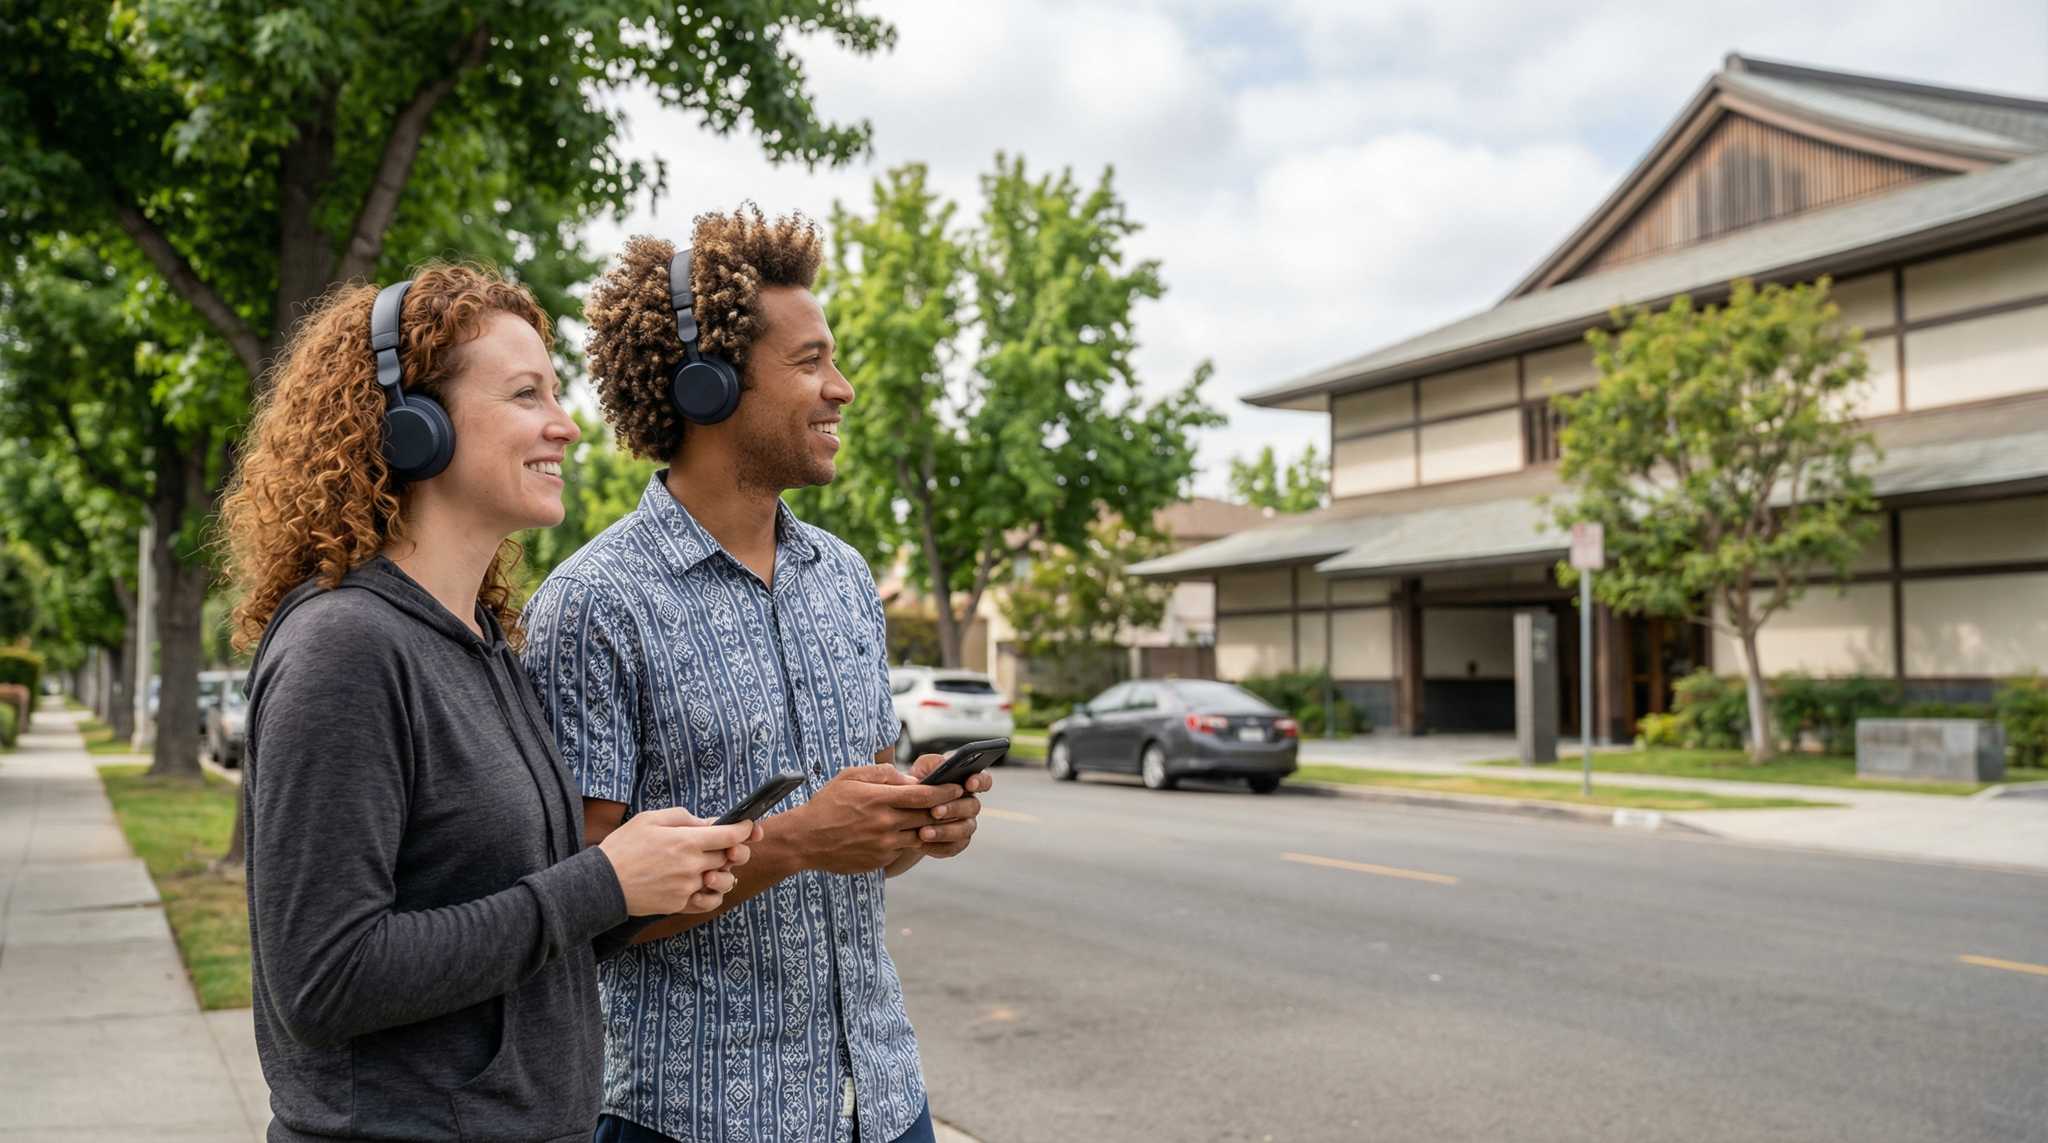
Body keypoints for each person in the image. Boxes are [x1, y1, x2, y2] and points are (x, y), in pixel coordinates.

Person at [220, 263, 760, 1142]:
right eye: (525, 394)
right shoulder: (344, 649)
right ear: (413, 425)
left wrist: (641, 885)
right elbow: (322, 980)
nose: (566, 424)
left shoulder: (483, 641)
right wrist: (600, 881)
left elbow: (522, 928)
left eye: (557, 392)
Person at [521, 210, 992, 1143]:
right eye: (811, 361)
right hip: (693, 1115)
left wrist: (918, 825)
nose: (842, 388)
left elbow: (865, 842)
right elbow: (582, 915)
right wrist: (797, 841)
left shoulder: (847, 579)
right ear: (710, 384)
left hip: (884, 1101)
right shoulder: (591, 606)